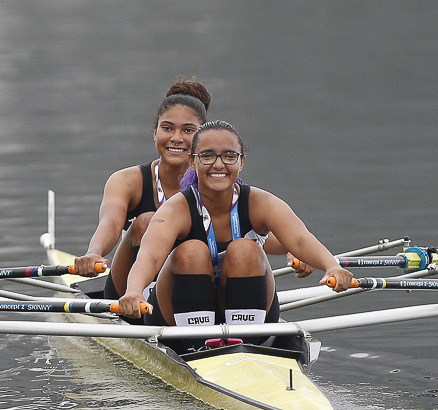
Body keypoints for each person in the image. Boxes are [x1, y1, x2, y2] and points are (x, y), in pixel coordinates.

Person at [113, 120, 356, 337]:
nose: (218, 165)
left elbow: (301, 239)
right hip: (178, 315)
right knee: (192, 251)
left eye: (229, 156)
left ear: (242, 162)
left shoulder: (261, 203)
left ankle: (244, 341)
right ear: (192, 162)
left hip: (243, 312)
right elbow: (150, 257)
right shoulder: (176, 210)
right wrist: (134, 290)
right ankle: (197, 342)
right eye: (207, 156)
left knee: (244, 250)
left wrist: (332, 266)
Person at [72, 79, 211, 297]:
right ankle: (138, 298)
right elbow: (111, 223)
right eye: (167, 128)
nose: (176, 138)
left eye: (188, 130)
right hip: (127, 293)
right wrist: (93, 252)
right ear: (155, 132)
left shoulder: (216, 184)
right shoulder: (127, 181)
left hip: (190, 290)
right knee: (148, 222)